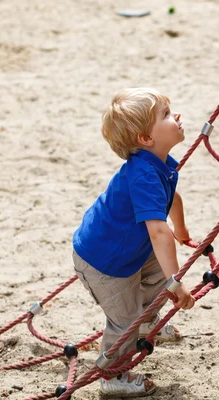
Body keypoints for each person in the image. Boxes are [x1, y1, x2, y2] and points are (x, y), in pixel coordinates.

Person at [72, 88, 195, 398]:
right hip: (105, 262)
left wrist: (181, 229)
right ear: (145, 139)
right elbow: (157, 232)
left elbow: (172, 197)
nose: (176, 116)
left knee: (154, 272)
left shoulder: (160, 163)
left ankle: (147, 321)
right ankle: (114, 377)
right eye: (166, 115)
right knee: (123, 320)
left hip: (126, 249)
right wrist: (175, 281)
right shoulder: (143, 175)